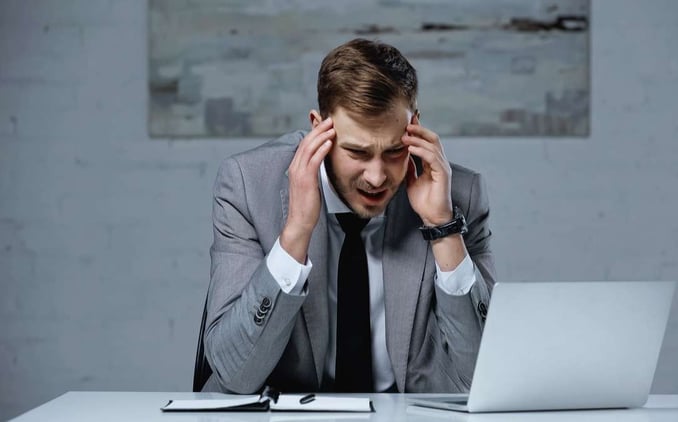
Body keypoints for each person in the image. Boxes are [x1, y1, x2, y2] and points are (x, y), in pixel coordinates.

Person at [201, 38, 496, 394]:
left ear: (414, 127)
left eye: (394, 151)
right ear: (318, 129)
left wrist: (443, 228)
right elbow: (234, 375)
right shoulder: (248, 187)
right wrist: (295, 233)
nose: (376, 176)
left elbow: (483, 378)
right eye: (357, 152)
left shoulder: (459, 195)